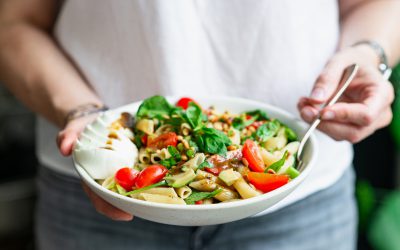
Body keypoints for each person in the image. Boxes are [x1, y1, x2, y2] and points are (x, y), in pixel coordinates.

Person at [0, 0, 399, 249]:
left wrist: (369, 52)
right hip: (92, 199)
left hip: (301, 205)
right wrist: (80, 112)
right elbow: (15, 22)